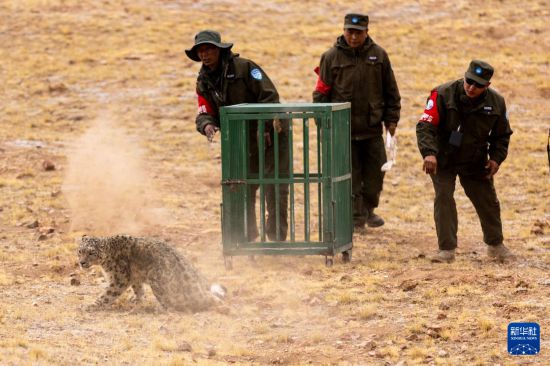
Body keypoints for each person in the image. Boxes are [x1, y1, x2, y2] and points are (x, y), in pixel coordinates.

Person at [185, 30, 289, 241]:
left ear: (220, 49)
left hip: (271, 137)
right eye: (201, 50)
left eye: (209, 49)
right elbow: (204, 111)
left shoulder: (246, 68)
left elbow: (270, 97)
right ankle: (247, 237)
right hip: (240, 142)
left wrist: (266, 127)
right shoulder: (203, 82)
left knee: (274, 185)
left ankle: (277, 236)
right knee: (243, 187)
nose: (205, 54)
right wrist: (207, 126)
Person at [416, 60, 513, 262]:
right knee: (444, 198)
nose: (471, 87)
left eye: (477, 85)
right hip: (442, 158)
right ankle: (446, 250)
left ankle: (495, 245)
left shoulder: (496, 102)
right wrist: (429, 153)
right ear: (464, 76)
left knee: (487, 201)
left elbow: (502, 135)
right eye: (469, 81)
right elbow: (426, 126)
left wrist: (496, 158)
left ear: (487, 85)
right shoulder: (442, 93)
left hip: (474, 160)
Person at [313, 13, 401, 229]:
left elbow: (391, 90)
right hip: (343, 129)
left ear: (366, 32)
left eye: (358, 32)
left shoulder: (379, 55)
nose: (353, 37)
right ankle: (355, 218)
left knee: (375, 176)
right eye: (349, 31)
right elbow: (321, 93)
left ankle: (369, 209)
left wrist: (391, 119)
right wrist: (322, 124)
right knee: (350, 176)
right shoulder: (330, 57)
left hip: (372, 129)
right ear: (343, 31)